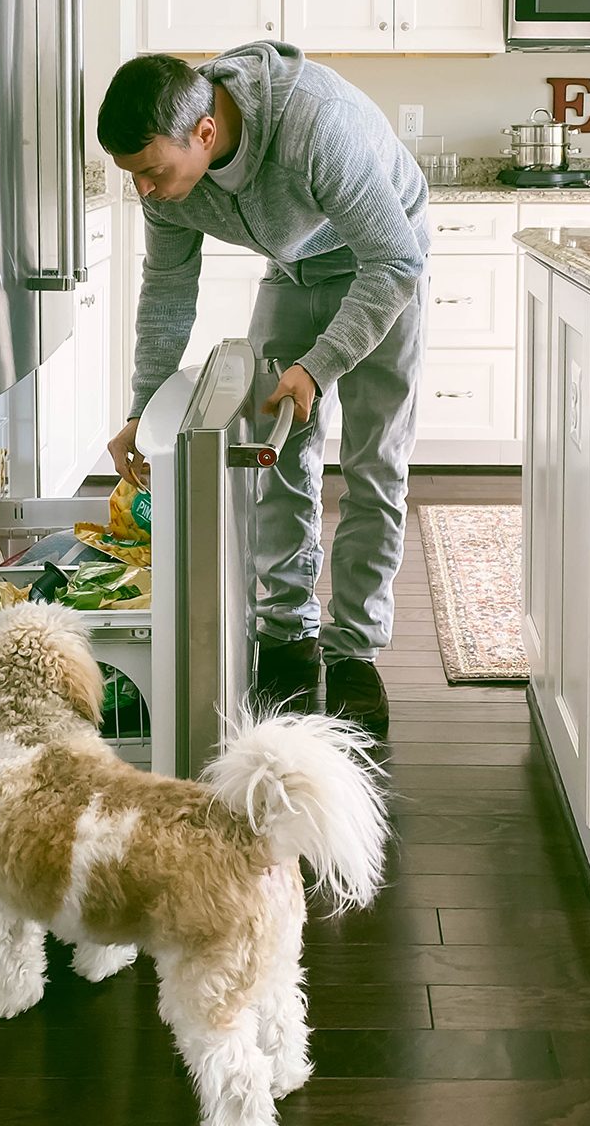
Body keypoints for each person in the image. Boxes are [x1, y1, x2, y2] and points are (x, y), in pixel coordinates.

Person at [97, 41, 429, 737]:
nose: (146, 192)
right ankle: (286, 636)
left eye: (153, 172)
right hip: (294, 270)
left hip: (384, 269)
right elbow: (165, 295)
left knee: (372, 466)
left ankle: (354, 657)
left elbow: (395, 260)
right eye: (133, 177)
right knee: (274, 457)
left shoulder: (316, 125)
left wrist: (321, 363)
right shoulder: (166, 187)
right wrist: (141, 409)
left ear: (206, 133)